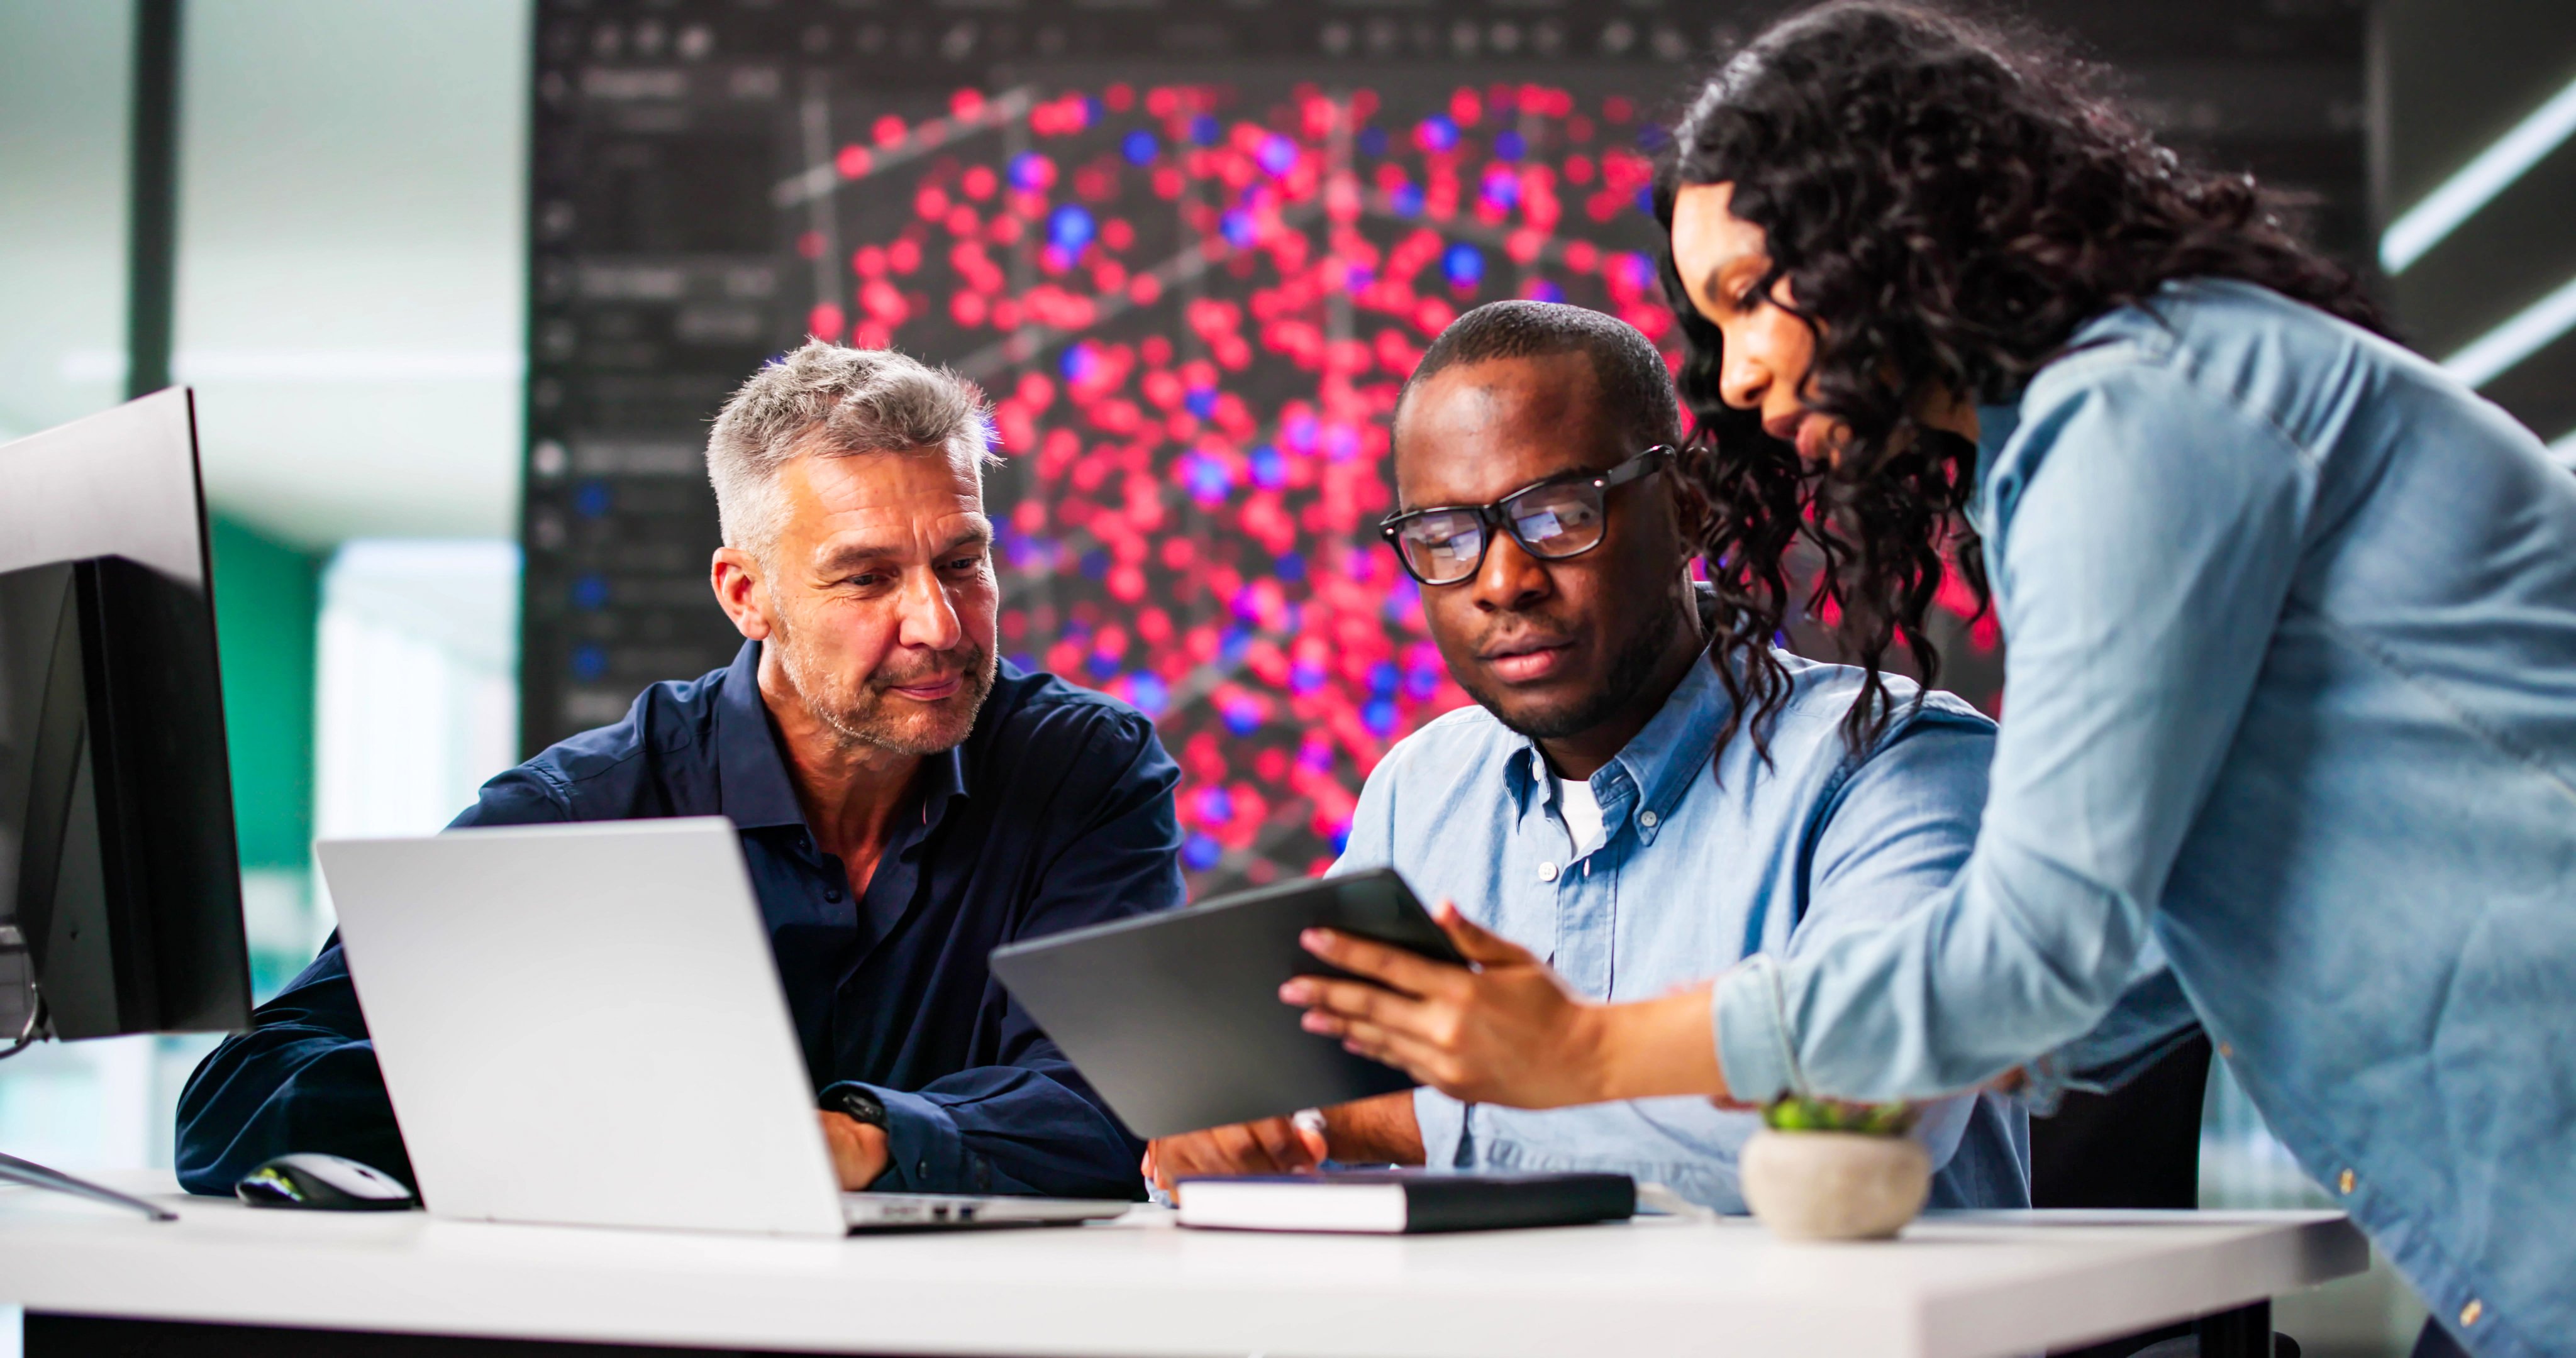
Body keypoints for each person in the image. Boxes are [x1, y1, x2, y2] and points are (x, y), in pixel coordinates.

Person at [1279, 8, 2576, 1357]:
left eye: (1744, 298)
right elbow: (2124, 971)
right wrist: (1863, 1062)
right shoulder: (2117, 410)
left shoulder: (2134, 417)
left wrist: (1592, 1055)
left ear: (1887, 228)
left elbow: (2027, 957)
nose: (1736, 373)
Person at [177, 343, 1185, 1200]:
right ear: (746, 594)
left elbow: (1110, 1106)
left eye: (963, 562)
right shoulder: (583, 813)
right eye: (869, 578)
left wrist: (846, 1142)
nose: (941, 624)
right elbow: (241, 1102)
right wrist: (592, 1108)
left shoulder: (1084, 772)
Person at [1147, 301, 2027, 1212]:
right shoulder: (1419, 791)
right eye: (1445, 538)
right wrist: (1226, 1128)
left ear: (1689, 508)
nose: (1502, 582)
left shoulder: (1896, 765)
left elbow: (1856, 1129)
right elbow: (1294, 1096)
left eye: (1560, 514)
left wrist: (1386, 1120)